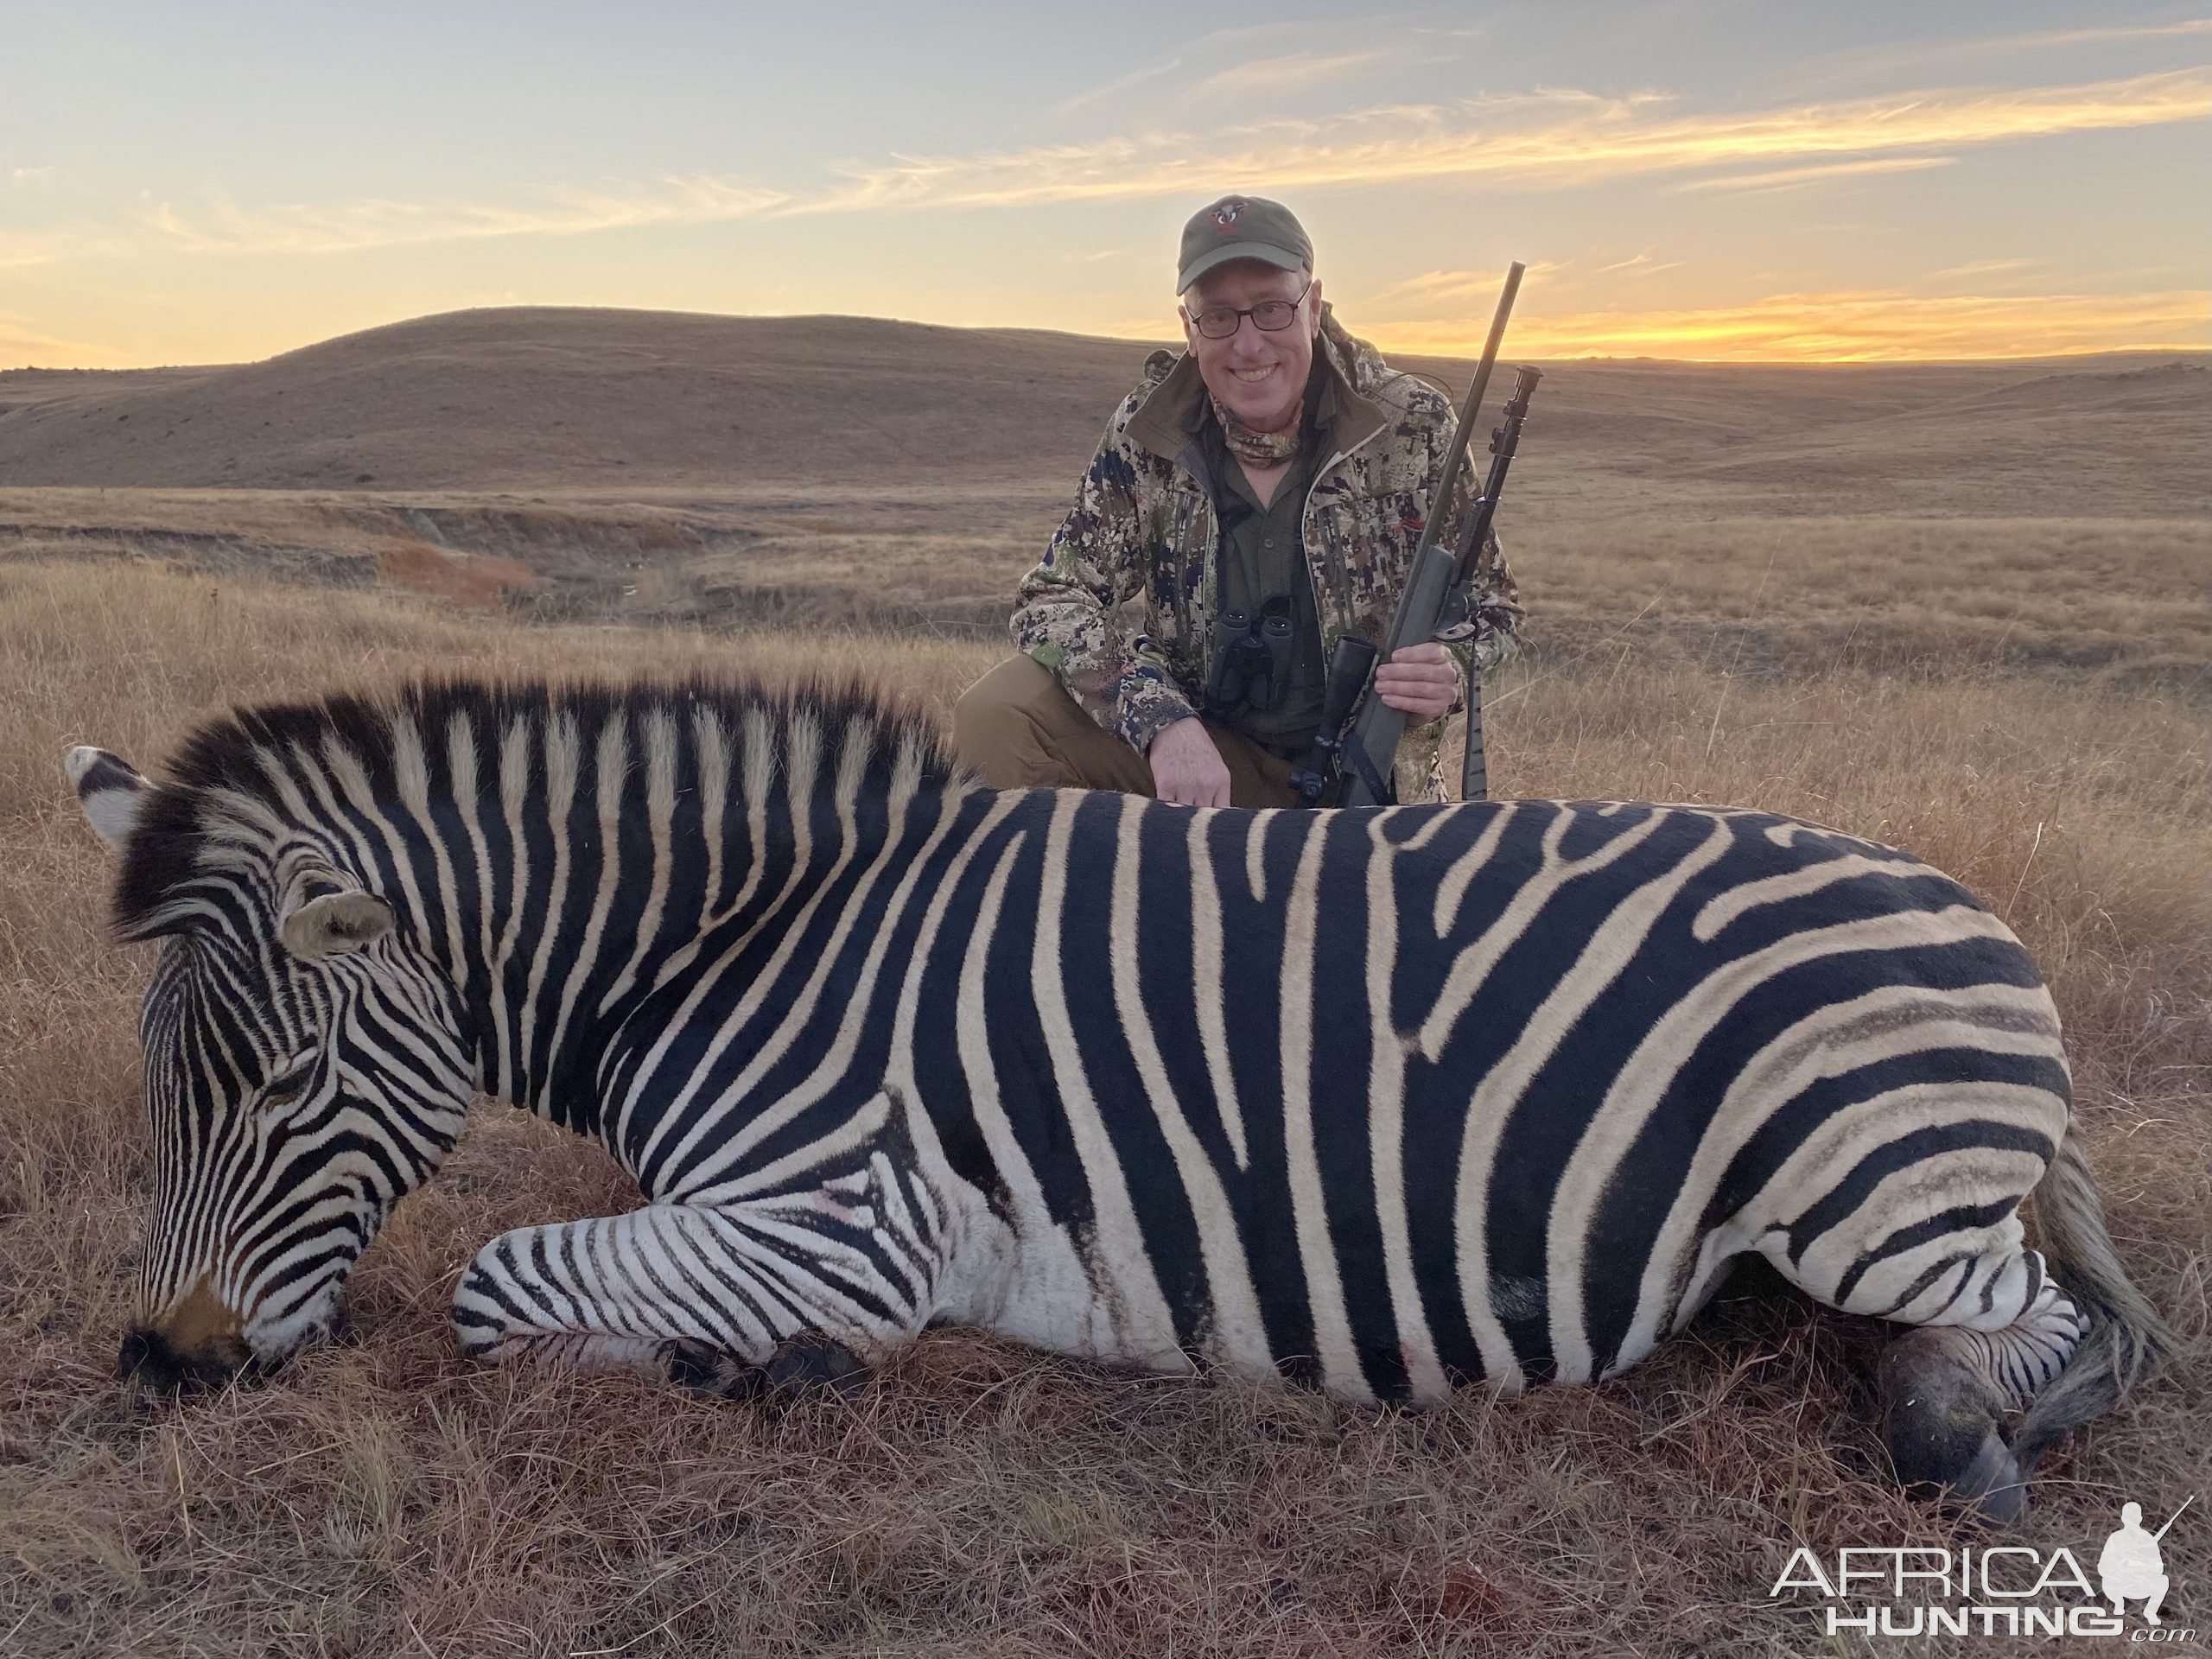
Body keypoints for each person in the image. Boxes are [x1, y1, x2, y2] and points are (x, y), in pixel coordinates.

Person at [952, 194, 1522, 808]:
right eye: (1219, 317)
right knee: (999, 714)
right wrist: (1159, 719)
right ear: (1188, 329)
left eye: (1272, 309)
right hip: (1204, 772)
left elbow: (1495, 613)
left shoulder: (1414, 425)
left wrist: (1453, 669)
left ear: (1315, 305)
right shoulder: (1145, 430)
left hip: (1368, 784)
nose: (1248, 345)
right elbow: (1053, 597)